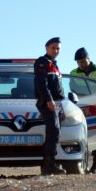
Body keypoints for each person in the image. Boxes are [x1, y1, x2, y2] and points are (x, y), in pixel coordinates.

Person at [70, 46, 96, 173]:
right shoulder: (73, 73)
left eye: (82, 61)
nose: (80, 64)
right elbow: (73, 90)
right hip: (82, 107)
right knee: (82, 134)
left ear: (88, 58)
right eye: (78, 62)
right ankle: (82, 164)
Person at [34, 37, 67, 175]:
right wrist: (48, 100)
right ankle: (49, 165)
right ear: (47, 48)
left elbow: (58, 88)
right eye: (53, 48)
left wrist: (62, 108)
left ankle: (50, 164)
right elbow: (42, 83)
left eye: (58, 48)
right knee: (53, 131)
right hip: (48, 102)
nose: (56, 50)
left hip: (57, 103)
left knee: (55, 133)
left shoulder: (54, 64)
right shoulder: (42, 62)